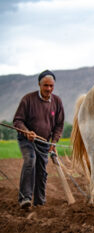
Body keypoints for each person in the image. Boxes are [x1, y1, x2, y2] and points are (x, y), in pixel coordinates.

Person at [13, 70, 64, 209]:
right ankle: (25, 198)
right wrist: (27, 132)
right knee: (30, 160)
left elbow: (59, 125)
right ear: (39, 85)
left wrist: (54, 142)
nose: (48, 89)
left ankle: (39, 201)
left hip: (44, 142)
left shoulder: (57, 102)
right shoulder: (28, 99)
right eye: (45, 85)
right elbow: (17, 121)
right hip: (27, 140)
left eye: (51, 86)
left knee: (41, 170)